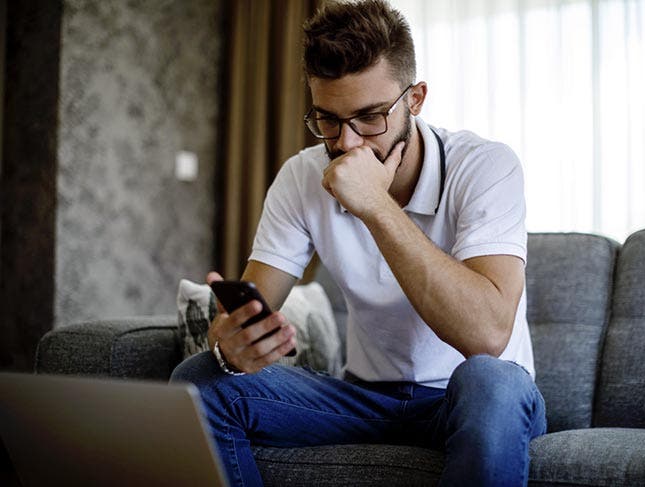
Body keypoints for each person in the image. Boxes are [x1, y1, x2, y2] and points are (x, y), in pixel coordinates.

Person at [171, 1, 546, 485]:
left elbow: (488, 336)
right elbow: (251, 309)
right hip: (366, 400)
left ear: (415, 99)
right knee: (199, 381)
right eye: (328, 120)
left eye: (370, 117)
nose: (348, 144)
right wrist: (231, 346)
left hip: (475, 400)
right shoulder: (301, 177)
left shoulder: (486, 167)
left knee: (490, 380)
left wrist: (376, 205)